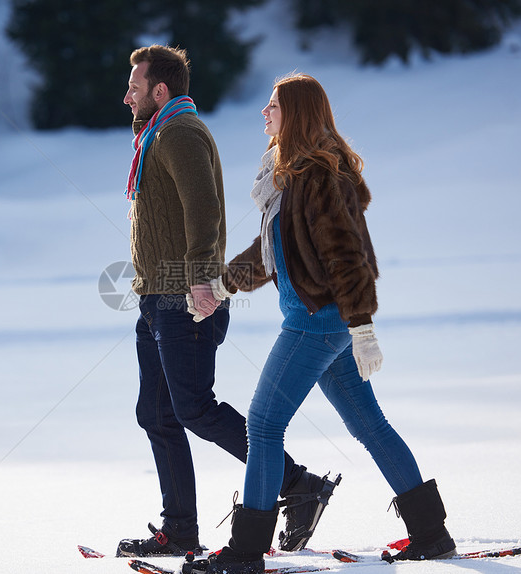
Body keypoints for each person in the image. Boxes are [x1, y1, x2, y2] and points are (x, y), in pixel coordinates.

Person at [186, 73, 456, 574]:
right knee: (369, 425)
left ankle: (246, 553)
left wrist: (363, 327)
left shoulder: (319, 177)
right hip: (320, 323)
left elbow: (348, 256)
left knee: (264, 424)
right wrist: (220, 288)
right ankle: (432, 534)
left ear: (297, 112)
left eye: (273, 106)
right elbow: (271, 256)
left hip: (317, 323)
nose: (264, 114)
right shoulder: (290, 179)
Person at [116, 47, 340, 558]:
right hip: (156, 297)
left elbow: (205, 212)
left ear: (160, 91)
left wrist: (200, 283)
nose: (125, 95)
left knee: (193, 408)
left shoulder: (180, 134)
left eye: (134, 86)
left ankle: (300, 483)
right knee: (156, 412)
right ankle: (180, 530)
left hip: (183, 297)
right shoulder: (157, 134)